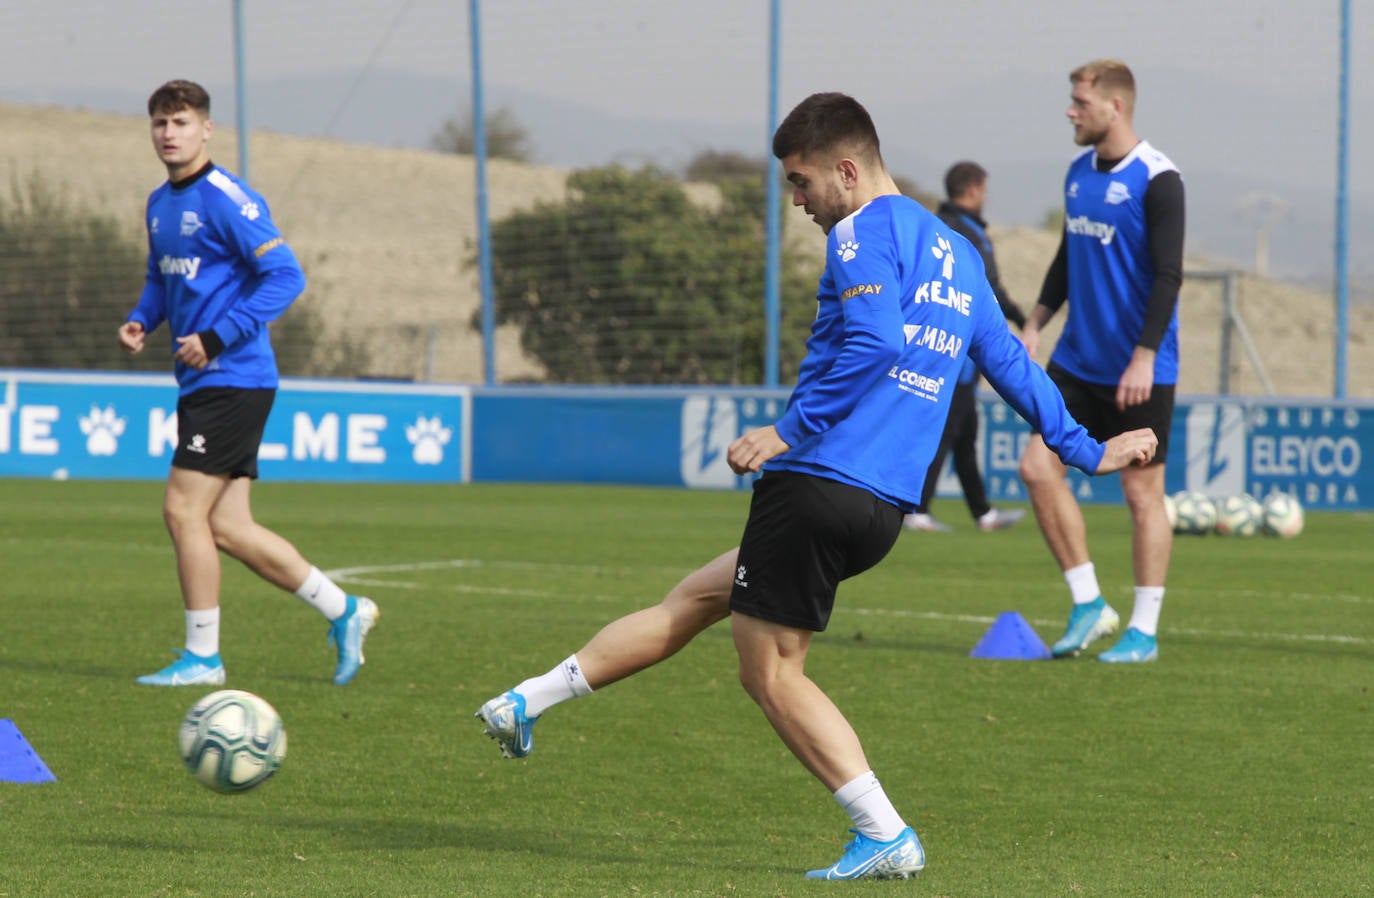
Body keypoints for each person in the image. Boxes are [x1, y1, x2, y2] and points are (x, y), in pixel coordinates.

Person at [475, 92, 1158, 880]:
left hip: (819, 480)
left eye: (801, 183)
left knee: (768, 672)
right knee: (697, 598)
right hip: (878, 509)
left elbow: (875, 339)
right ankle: (527, 702)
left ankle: (884, 832)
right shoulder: (957, 254)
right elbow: (1010, 366)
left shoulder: (862, 232)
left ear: (846, 169)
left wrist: (786, 431)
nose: (798, 203)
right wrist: (1084, 451)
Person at [118, 80, 378, 687]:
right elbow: (163, 278)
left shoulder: (227, 197)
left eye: (180, 122)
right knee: (227, 527)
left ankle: (203, 658)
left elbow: (286, 277)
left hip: (234, 377)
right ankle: (345, 611)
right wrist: (142, 318)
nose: (168, 133)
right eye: (159, 123)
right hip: (203, 382)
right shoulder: (159, 203)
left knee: (182, 510)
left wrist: (216, 337)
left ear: (206, 129)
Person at [1018, 59, 1185, 664]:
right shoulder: (1076, 175)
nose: (1071, 111)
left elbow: (1169, 275)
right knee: (1038, 469)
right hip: (1076, 362)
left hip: (1141, 368)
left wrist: (1143, 357)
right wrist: (1034, 324)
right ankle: (1089, 602)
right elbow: (1068, 258)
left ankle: (1142, 630)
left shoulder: (1158, 179)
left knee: (1143, 497)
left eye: (1080, 102)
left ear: (1115, 106)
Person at [904, 161, 1029, 534]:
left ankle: (983, 513)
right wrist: (1021, 319)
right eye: (984, 190)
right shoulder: (967, 234)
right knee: (946, 429)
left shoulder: (943, 226)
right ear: (973, 190)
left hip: (957, 347)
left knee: (965, 434)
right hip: (957, 351)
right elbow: (986, 289)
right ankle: (916, 509)